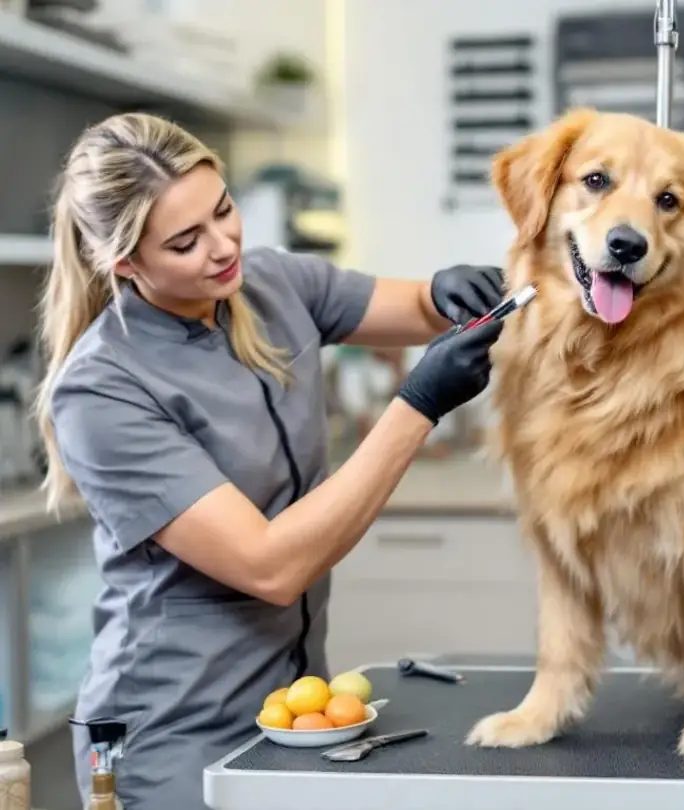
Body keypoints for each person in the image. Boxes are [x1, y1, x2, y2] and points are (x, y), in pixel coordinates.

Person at [31, 112, 507, 810]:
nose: (224, 246)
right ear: (125, 264)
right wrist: (419, 404)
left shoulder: (271, 285)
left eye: (224, 210)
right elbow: (270, 567)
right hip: (172, 728)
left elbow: (407, 304)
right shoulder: (103, 389)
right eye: (186, 241)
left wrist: (444, 292)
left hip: (289, 711)